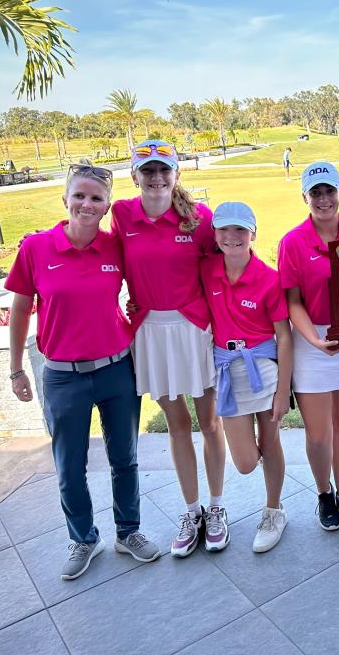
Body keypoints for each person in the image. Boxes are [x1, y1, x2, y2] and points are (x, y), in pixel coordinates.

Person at [7, 164, 159, 580]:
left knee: (124, 458)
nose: (87, 204)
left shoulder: (116, 247)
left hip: (116, 371)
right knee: (69, 466)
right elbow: (20, 308)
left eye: (96, 198)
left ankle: (128, 532)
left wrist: (138, 317)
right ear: (66, 199)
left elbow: (150, 281)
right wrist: (16, 369)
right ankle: (84, 538)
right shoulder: (36, 248)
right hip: (62, 376)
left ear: (107, 205)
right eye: (80, 196)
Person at [112, 140, 228, 557]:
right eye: (148, 171)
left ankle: (216, 508)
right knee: (177, 425)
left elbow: (223, 272)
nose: (157, 179)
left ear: (176, 174)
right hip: (149, 332)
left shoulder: (200, 220)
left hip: (195, 328)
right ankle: (191, 510)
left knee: (209, 422)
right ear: (135, 176)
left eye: (164, 170)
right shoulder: (122, 215)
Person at [278, 161, 339, 533]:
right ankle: (323, 493)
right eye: (316, 193)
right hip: (310, 339)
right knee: (317, 432)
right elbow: (292, 301)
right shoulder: (293, 241)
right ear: (305, 197)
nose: (323, 199)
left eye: (329, 191)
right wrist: (314, 340)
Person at [201, 202, 292, 553]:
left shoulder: (269, 278)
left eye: (240, 229)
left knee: (270, 444)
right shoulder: (207, 270)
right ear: (215, 234)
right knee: (244, 462)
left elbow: (283, 336)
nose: (231, 237)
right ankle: (267, 491)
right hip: (227, 371)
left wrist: (284, 391)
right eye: (224, 229)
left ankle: (273, 510)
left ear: (253, 233)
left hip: (264, 370)